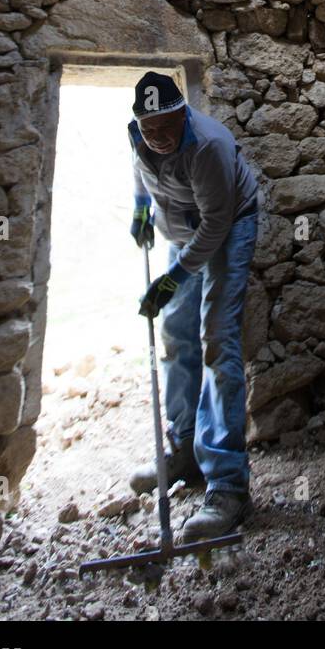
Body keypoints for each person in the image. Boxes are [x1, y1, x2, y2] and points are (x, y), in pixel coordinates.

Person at [128, 71, 260, 540]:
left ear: (182, 113)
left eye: (167, 127)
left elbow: (217, 224)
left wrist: (174, 278)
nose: (158, 138)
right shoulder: (140, 135)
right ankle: (184, 448)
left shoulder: (209, 147)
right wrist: (141, 208)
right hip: (182, 233)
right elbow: (141, 167)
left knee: (216, 342)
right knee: (175, 333)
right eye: (149, 129)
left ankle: (227, 485)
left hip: (225, 229)